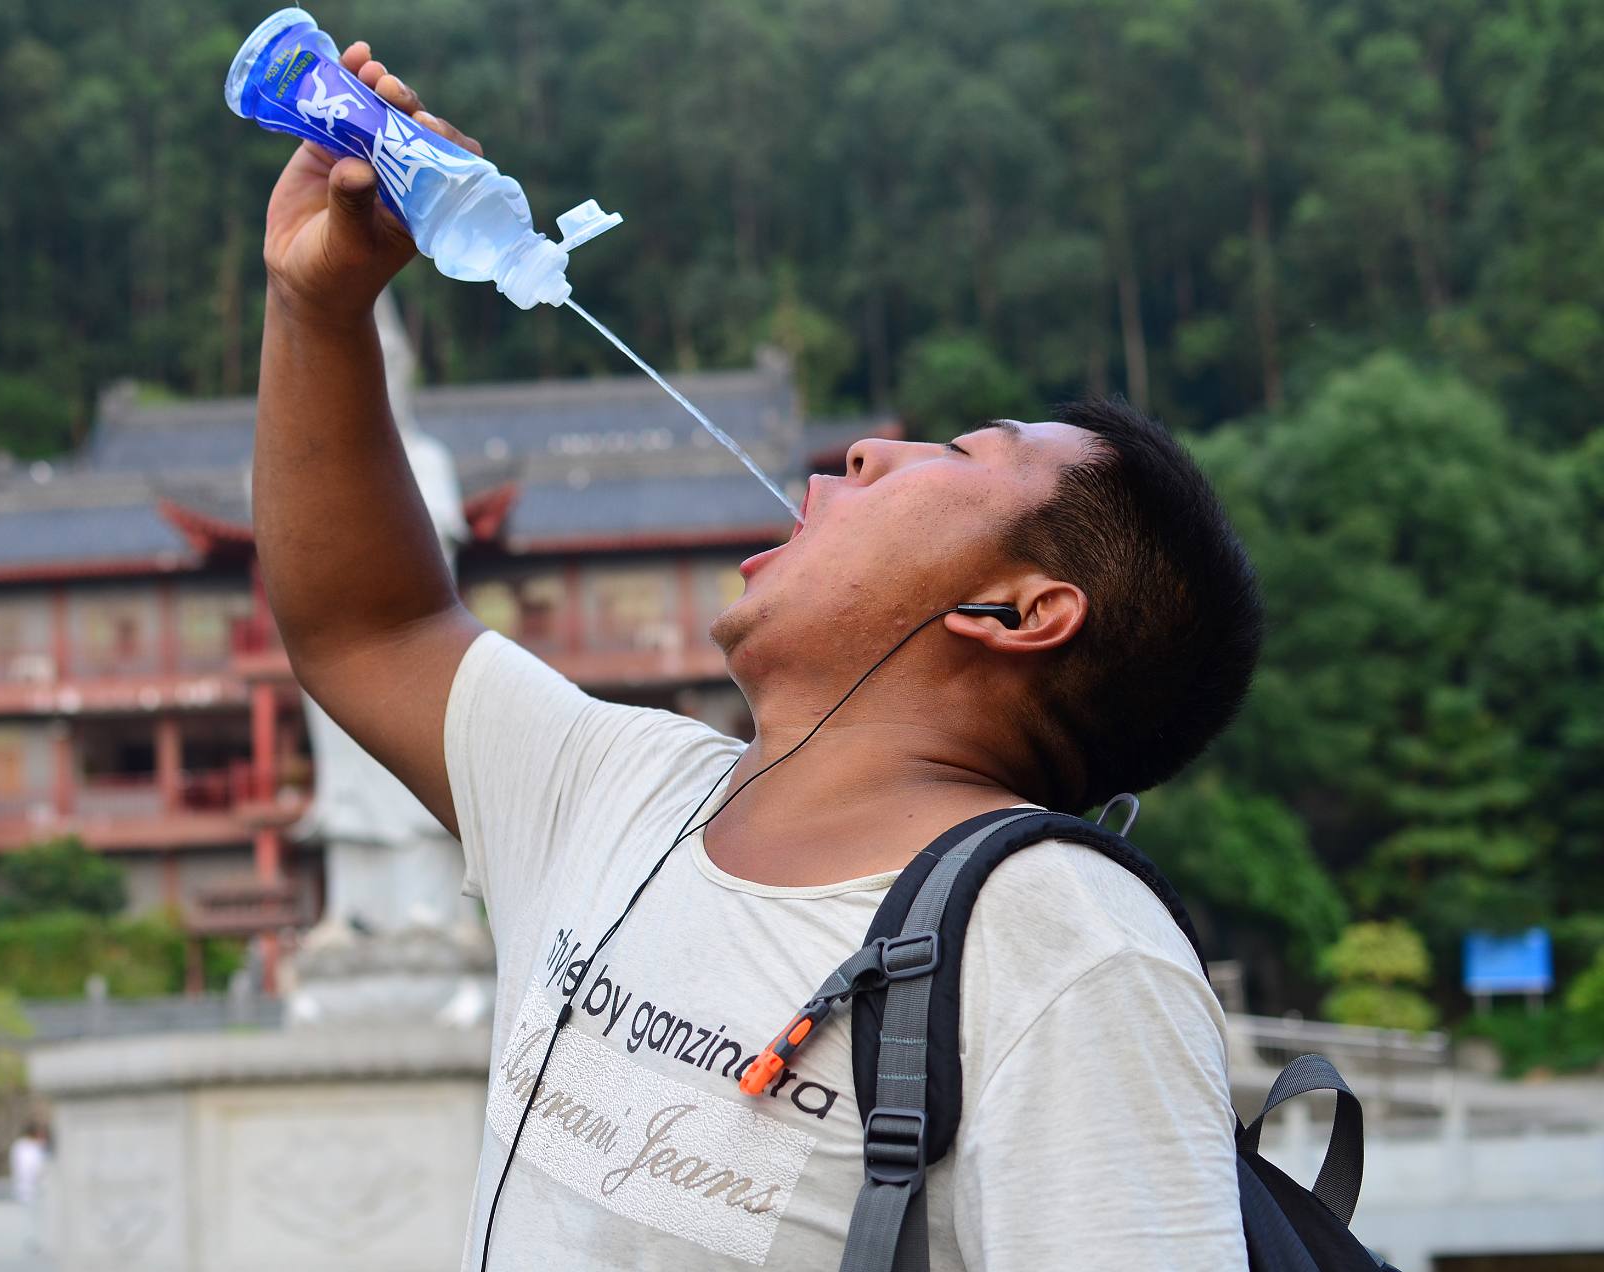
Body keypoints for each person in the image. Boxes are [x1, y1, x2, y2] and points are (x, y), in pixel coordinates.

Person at [250, 40, 1263, 1272]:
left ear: (1015, 611)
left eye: (958, 454)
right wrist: (320, 302)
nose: (867, 455)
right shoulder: (621, 792)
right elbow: (372, 626)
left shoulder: (1066, 949)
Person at [8, 1123, 48, 1252]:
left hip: (22, 1187)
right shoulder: (32, 1149)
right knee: (33, 1217)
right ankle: (33, 1241)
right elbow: (34, 1169)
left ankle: (32, 1240)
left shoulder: (19, 1146)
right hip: (32, 1188)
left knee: (29, 1217)